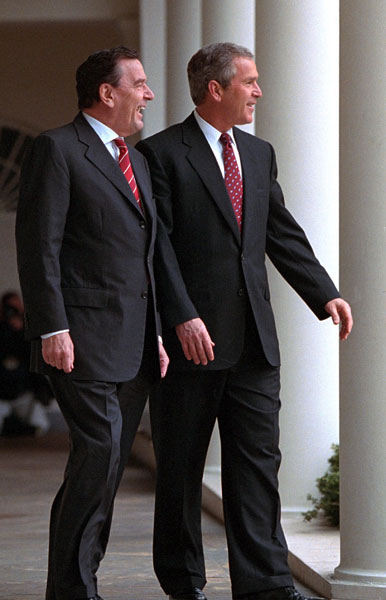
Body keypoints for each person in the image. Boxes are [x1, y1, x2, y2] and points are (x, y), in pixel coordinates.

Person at [136, 42, 353, 600]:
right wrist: (180, 316)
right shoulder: (159, 154)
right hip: (192, 345)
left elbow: (278, 229)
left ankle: (266, 585)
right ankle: (183, 584)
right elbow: (156, 248)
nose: (259, 91)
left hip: (255, 342)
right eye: (250, 82)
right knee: (181, 471)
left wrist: (323, 293)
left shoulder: (258, 154)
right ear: (217, 89)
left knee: (257, 468)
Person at [16, 46, 169, 600]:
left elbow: (143, 256)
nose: (149, 95)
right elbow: (40, 247)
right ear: (108, 92)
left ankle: (76, 582)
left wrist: (154, 330)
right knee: (99, 455)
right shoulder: (57, 149)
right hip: (79, 339)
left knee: (102, 466)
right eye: (141, 84)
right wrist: (51, 327)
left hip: (133, 342)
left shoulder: (137, 161)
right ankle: (75, 588)